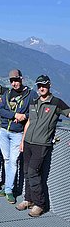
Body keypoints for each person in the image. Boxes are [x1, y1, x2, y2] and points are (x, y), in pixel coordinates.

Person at [16, 75, 70, 217]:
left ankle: (40, 204)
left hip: (41, 144)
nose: (41, 88)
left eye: (44, 85)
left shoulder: (57, 103)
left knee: (33, 172)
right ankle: (29, 200)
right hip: (28, 142)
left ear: (49, 85)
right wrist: (22, 140)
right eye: (39, 85)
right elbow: (28, 122)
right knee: (27, 172)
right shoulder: (34, 102)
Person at [0, 69, 37, 204]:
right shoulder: (7, 94)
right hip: (4, 131)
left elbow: (35, 112)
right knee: (7, 160)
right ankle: (8, 187)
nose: (14, 83)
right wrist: (14, 115)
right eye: (12, 81)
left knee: (13, 162)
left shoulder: (31, 94)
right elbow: (0, 110)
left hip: (17, 133)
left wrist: (24, 117)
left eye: (16, 80)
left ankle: (9, 190)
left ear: (22, 79)